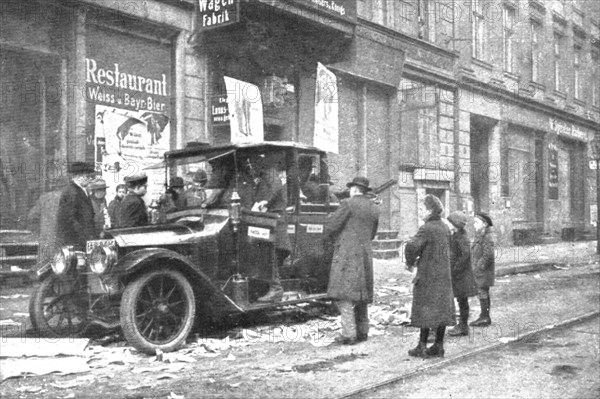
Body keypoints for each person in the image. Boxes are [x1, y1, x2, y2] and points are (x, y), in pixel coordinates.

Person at [324, 176, 379, 345]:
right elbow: (372, 233)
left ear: (354, 189)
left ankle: (348, 334)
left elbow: (331, 226)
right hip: (364, 254)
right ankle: (363, 331)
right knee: (361, 293)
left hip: (347, 253)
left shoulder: (348, 203)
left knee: (344, 294)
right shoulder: (374, 208)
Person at [405, 194, 455, 358]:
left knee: (425, 308)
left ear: (430, 210)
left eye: (422, 209)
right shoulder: (445, 227)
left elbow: (412, 246)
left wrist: (410, 263)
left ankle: (421, 346)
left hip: (428, 275)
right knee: (441, 309)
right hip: (443, 276)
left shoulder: (426, 228)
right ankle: (438, 346)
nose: (420, 212)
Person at [255, 162, 292, 303]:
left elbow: (275, 187)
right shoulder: (264, 176)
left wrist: (264, 202)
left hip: (274, 221)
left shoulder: (270, 172)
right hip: (271, 220)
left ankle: (276, 289)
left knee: (269, 254)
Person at [446, 211, 477, 336]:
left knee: (462, 300)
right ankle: (462, 325)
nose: (449, 225)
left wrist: (455, 269)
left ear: (456, 224)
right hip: (459, 274)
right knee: (461, 300)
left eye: (450, 223)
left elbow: (465, 255)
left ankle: (463, 326)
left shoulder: (462, 237)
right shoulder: (456, 235)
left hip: (462, 275)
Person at [55, 162, 97, 250]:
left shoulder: (81, 191)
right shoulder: (72, 192)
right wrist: (84, 236)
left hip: (82, 239)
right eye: (87, 176)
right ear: (78, 176)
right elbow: (70, 219)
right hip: (74, 240)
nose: (89, 179)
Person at [470, 212, 495, 327]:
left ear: (484, 224)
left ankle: (485, 317)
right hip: (481, 271)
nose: (474, 225)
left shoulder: (486, 237)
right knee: (482, 292)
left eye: (476, 222)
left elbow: (488, 255)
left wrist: (479, 267)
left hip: (483, 272)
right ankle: (484, 316)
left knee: (482, 292)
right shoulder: (480, 235)